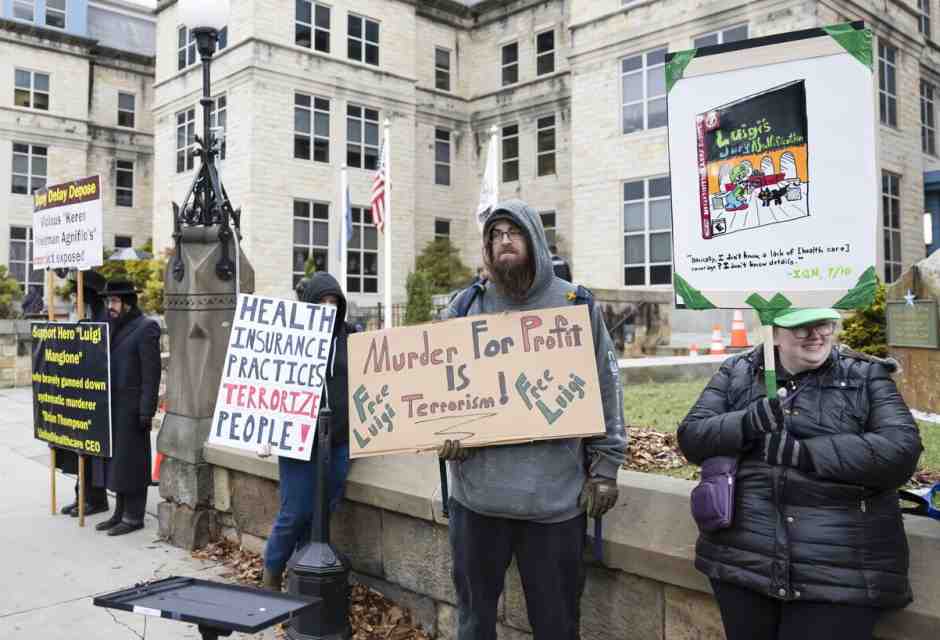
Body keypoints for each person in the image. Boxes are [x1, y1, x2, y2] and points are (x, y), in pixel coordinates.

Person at [438, 200, 626, 640]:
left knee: (558, 625)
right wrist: (444, 434)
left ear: (535, 241)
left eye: (514, 231)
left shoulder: (574, 305)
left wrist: (606, 468)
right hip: (476, 500)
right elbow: (438, 392)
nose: (504, 239)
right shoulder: (465, 308)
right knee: (473, 622)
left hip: (554, 504)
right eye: (495, 233)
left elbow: (606, 385)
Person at [677, 308, 923, 640]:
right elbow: (692, 438)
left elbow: (901, 452)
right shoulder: (738, 370)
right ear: (773, 333)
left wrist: (806, 454)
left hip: (838, 571)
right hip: (744, 561)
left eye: (823, 324)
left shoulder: (865, 375)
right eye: (801, 327)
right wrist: (745, 424)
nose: (816, 334)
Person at [262, 273, 355, 590]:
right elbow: (269, 384)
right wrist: (266, 430)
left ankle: (302, 573)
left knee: (324, 508)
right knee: (295, 510)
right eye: (322, 302)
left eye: (334, 302)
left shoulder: (351, 337)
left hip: (340, 440)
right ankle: (272, 570)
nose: (328, 308)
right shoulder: (290, 338)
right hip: (298, 438)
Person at [94, 280, 162, 536]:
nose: (109, 306)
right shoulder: (112, 326)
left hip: (134, 408)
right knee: (118, 463)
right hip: (113, 406)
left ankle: (134, 517)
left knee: (132, 463)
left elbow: (151, 373)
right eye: (108, 301)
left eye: (114, 301)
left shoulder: (147, 328)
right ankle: (119, 513)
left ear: (128, 303)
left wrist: (147, 410)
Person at [57, 270, 109, 517]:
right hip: (79, 391)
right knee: (78, 450)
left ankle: (95, 499)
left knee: (92, 452)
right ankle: (81, 495)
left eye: (78, 291)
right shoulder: (80, 313)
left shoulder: (102, 316)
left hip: (96, 393)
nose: (74, 296)